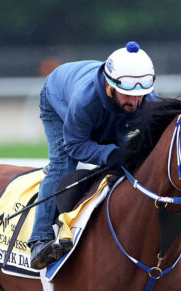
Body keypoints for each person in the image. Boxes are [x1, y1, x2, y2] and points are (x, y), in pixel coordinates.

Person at [27, 41, 158, 269]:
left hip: (102, 107)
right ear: (110, 85)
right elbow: (75, 145)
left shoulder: (143, 96)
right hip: (58, 99)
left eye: (140, 96)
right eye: (128, 96)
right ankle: (39, 240)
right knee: (63, 164)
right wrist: (110, 154)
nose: (136, 102)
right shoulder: (85, 101)